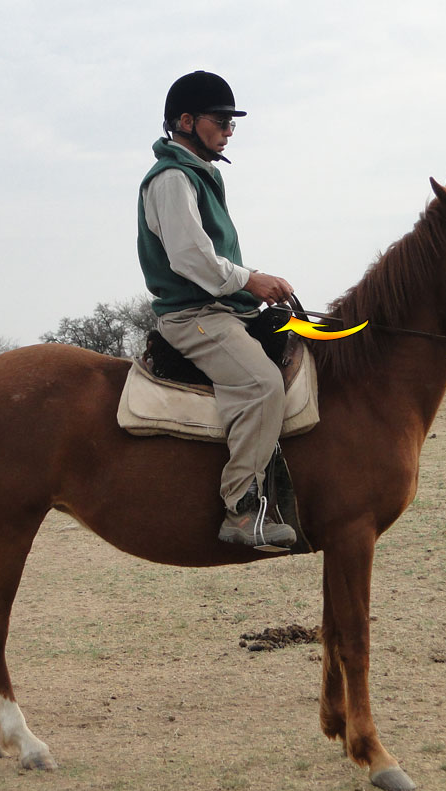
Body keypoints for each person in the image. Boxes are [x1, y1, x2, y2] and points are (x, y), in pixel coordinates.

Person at [137, 71, 296, 550]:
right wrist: (251, 278)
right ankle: (242, 510)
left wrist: (253, 286)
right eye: (221, 120)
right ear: (186, 121)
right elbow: (191, 259)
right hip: (193, 317)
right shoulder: (171, 179)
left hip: (224, 308)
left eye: (232, 122)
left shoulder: (202, 175)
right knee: (261, 384)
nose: (229, 129)